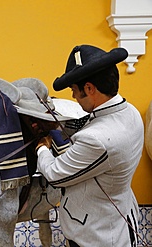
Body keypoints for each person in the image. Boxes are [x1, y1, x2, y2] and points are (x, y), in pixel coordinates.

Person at [35, 44, 144, 246]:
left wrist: (42, 146)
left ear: (89, 88)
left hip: (97, 234)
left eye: (74, 90)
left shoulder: (96, 139)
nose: (73, 97)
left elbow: (54, 174)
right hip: (120, 219)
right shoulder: (131, 112)